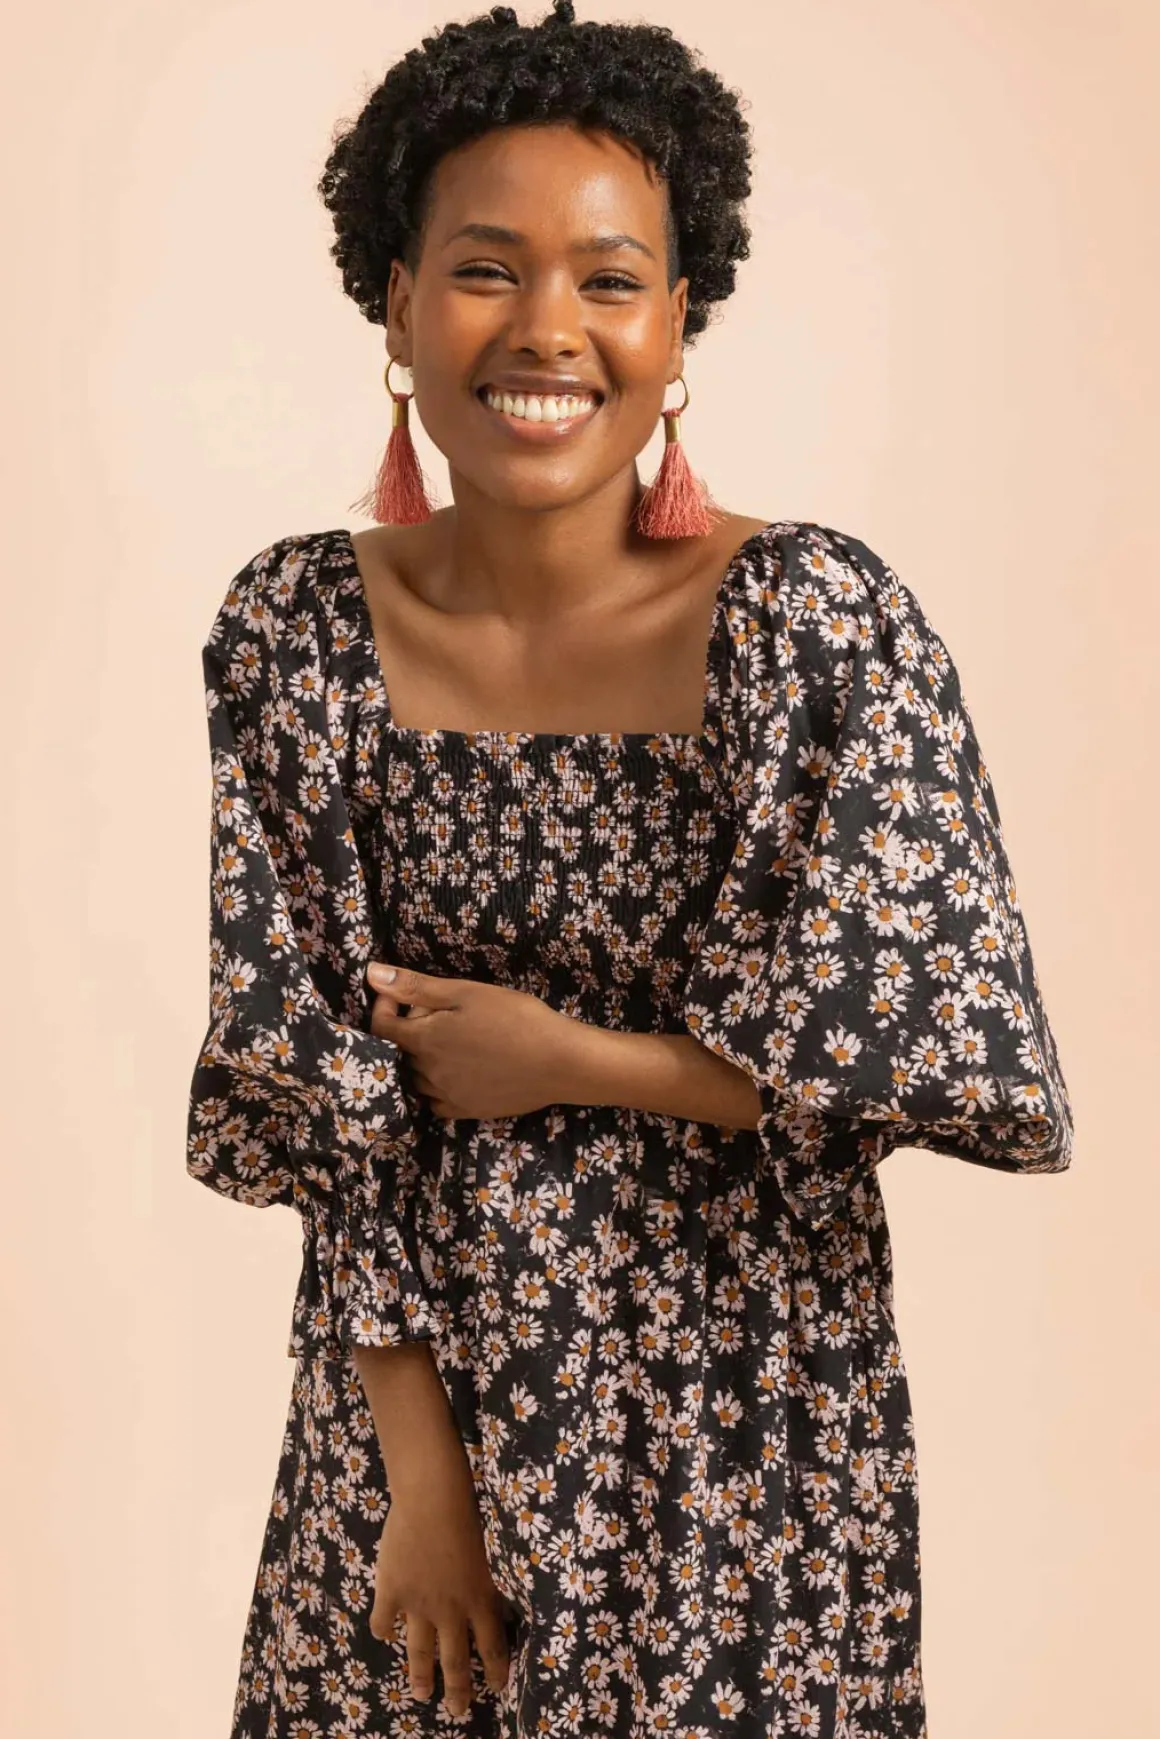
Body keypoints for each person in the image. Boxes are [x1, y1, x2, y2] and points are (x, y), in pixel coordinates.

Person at [185, 4, 1074, 1735]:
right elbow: (317, 1100)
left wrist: (565, 1060)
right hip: (417, 1409)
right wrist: (420, 1485)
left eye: (609, 279)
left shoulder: (818, 629)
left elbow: (929, 1057)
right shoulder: (296, 633)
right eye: (485, 269)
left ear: (680, 325)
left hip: (755, 1422)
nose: (546, 328)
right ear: (397, 304)